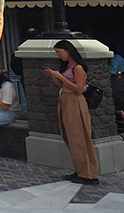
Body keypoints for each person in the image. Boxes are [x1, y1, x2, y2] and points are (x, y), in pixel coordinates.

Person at [42, 40, 100, 185]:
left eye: (59, 52)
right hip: (65, 99)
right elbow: (63, 85)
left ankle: (89, 173)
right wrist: (54, 76)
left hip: (75, 101)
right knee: (69, 135)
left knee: (79, 136)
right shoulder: (68, 66)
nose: (58, 55)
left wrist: (60, 76)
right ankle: (80, 169)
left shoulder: (78, 67)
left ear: (67, 50)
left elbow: (79, 88)